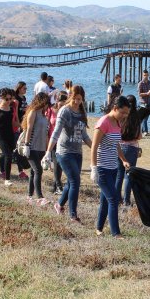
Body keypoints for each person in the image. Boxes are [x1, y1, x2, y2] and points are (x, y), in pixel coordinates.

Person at [45, 85, 92, 223]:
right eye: (75, 99)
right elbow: (56, 133)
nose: (78, 102)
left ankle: (59, 205)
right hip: (64, 151)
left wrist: (96, 148)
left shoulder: (82, 113)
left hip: (77, 152)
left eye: (80, 99)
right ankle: (73, 215)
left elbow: (85, 136)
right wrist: (48, 152)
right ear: (70, 96)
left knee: (72, 181)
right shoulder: (64, 111)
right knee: (75, 181)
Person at [91, 96, 131, 238]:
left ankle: (99, 229)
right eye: (123, 112)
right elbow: (94, 147)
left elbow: (117, 144)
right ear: (115, 108)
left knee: (105, 199)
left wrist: (124, 160)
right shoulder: (103, 122)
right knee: (113, 199)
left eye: (127, 113)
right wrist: (94, 168)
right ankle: (116, 233)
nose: (125, 116)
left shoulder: (117, 123)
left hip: (113, 168)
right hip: (102, 168)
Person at [21, 92, 50, 205]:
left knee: (33, 172)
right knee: (38, 170)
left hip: (41, 147)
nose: (47, 105)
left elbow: (46, 134)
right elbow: (29, 129)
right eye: (46, 102)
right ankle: (40, 197)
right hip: (32, 146)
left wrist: (47, 150)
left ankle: (29, 195)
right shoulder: (33, 112)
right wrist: (27, 145)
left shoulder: (43, 115)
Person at [0, 88, 20, 186]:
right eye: (6, 99)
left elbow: (14, 123)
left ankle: (4, 172)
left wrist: (23, 125)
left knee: (8, 155)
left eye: (10, 99)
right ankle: (7, 179)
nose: (9, 101)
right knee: (8, 155)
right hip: (1, 135)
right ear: (1, 98)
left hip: (10, 134)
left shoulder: (11, 109)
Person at [46, 92, 67, 195]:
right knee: (56, 163)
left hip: (63, 141)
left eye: (64, 102)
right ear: (57, 101)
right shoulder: (51, 110)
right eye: (61, 102)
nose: (62, 105)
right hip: (53, 140)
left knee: (59, 164)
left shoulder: (66, 112)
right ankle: (58, 186)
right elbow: (47, 125)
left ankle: (55, 186)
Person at [12, 82, 28, 179]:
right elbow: (16, 112)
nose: (25, 90)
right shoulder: (16, 99)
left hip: (23, 122)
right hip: (18, 123)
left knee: (20, 143)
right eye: (24, 88)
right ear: (19, 88)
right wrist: (18, 123)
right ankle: (19, 167)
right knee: (18, 143)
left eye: (26, 88)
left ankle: (17, 159)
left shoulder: (24, 98)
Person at [138, 70, 150, 135]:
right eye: (144, 75)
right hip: (143, 103)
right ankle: (145, 131)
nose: (146, 76)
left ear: (148, 75)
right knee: (144, 117)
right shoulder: (140, 83)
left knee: (146, 117)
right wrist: (147, 93)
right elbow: (139, 94)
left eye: (147, 75)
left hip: (149, 102)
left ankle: (142, 130)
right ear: (142, 75)